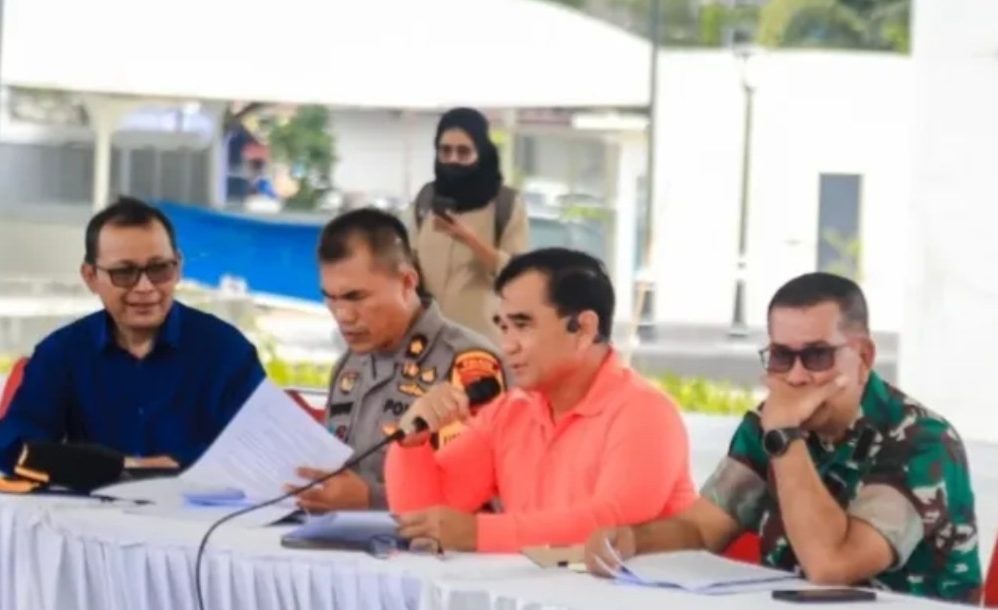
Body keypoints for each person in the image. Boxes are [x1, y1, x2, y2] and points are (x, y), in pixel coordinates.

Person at [584, 272, 982, 603]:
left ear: (863, 358)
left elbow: (832, 566)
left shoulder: (921, 440)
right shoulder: (771, 423)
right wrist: (633, 540)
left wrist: (786, 437)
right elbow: (704, 528)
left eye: (817, 356)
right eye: (780, 356)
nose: (795, 377)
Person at [385, 248, 696, 553]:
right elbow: (424, 522)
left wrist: (479, 532)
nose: (507, 346)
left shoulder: (644, 412)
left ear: (583, 328)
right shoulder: (510, 412)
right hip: (544, 600)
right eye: (503, 328)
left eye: (522, 326)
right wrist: (412, 443)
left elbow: (610, 530)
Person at [0, 197, 265, 473]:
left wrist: (153, 466)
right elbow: (10, 448)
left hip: (201, 512)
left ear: (178, 268)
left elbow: (260, 448)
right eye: (124, 272)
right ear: (90, 277)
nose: (145, 287)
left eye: (159, 269)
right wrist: (94, 466)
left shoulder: (226, 351)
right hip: (87, 510)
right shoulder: (62, 353)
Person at [287, 208, 507, 512]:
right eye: (331, 297)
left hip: (429, 555)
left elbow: (484, 500)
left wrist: (371, 499)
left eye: (356, 297)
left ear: (407, 282)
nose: (343, 315)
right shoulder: (349, 366)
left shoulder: (468, 364)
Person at [410, 107, 529, 341]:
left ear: (481, 153)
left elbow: (518, 276)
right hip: (426, 343)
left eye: (463, 152)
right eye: (445, 151)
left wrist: (470, 240)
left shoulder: (506, 205)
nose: (453, 159)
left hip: (481, 345)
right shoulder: (426, 199)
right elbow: (409, 262)